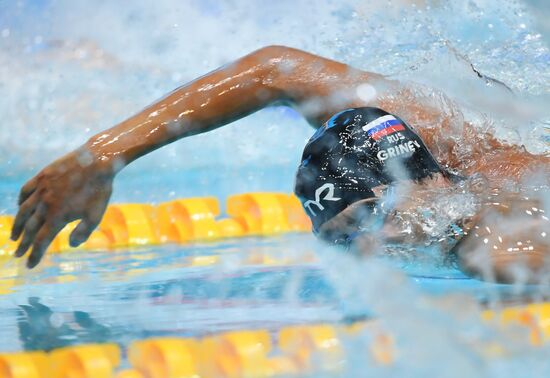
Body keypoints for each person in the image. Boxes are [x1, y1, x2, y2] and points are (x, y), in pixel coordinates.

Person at [10, 46, 549, 282]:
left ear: (425, 185)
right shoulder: (428, 130)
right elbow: (272, 70)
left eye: (366, 221)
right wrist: (103, 156)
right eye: (338, 237)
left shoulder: (502, 246)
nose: (364, 247)